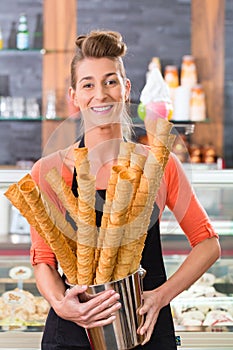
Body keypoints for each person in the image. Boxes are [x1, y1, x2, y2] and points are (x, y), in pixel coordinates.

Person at [30, 30, 221, 350]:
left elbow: (208, 244)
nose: (100, 94)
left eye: (110, 81)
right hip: (74, 332)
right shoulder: (50, 171)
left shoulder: (161, 165)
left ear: (126, 88)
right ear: (74, 96)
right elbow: (44, 261)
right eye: (88, 84)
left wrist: (161, 296)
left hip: (146, 327)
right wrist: (63, 304)